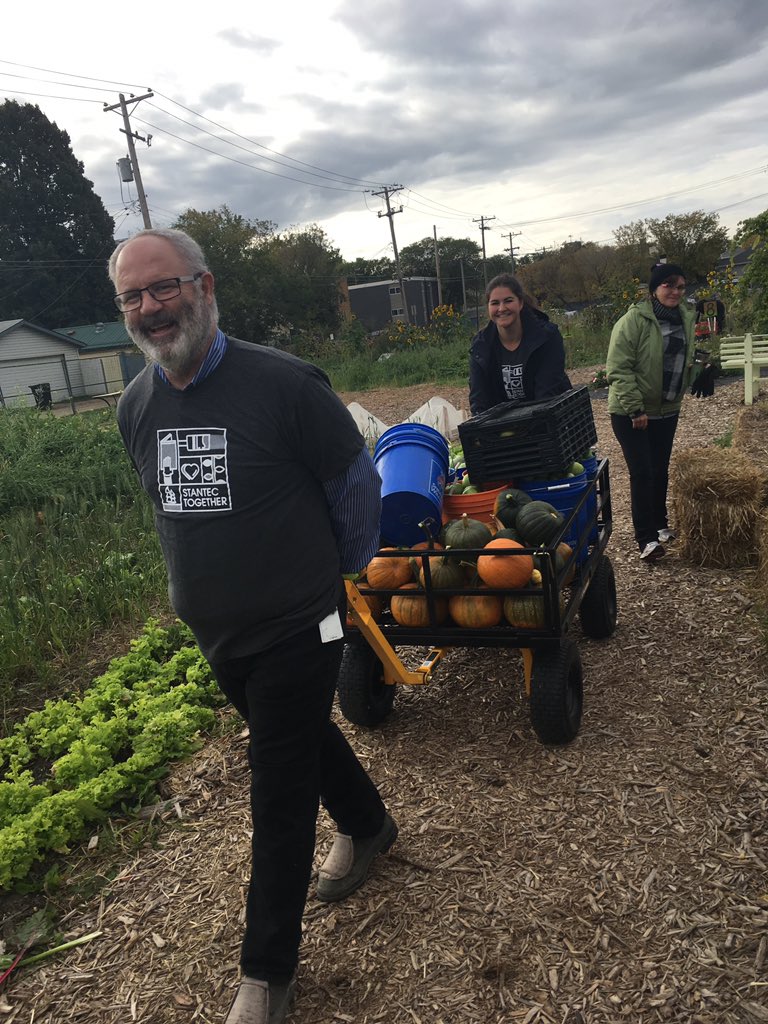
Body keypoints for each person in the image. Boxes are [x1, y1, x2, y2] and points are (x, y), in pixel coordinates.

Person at [109, 228, 397, 1024]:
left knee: (277, 787)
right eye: (133, 296)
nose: (150, 307)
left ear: (204, 287)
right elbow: (170, 513)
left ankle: (267, 973)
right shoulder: (136, 407)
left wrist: (330, 581)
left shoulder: (285, 385)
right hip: (215, 632)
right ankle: (369, 824)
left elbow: (356, 491)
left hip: (299, 625)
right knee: (294, 736)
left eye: (164, 287)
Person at [606, 260, 698, 562]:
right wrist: (635, 409)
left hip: (666, 408)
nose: (675, 291)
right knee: (642, 472)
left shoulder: (684, 317)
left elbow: (679, 358)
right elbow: (619, 368)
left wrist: (699, 371)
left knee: (659, 469)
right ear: (654, 289)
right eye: (668, 285)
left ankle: (660, 525)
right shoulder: (633, 321)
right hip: (631, 412)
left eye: (680, 286)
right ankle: (645, 539)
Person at [468, 272, 571, 415]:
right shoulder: (481, 346)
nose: (501, 308)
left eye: (508, 301)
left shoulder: (547, 337)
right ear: (488, 307)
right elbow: (479, 401)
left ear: (520, 303)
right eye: (495, 303)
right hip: (503, 422)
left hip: (550, 418)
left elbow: (547, 393)